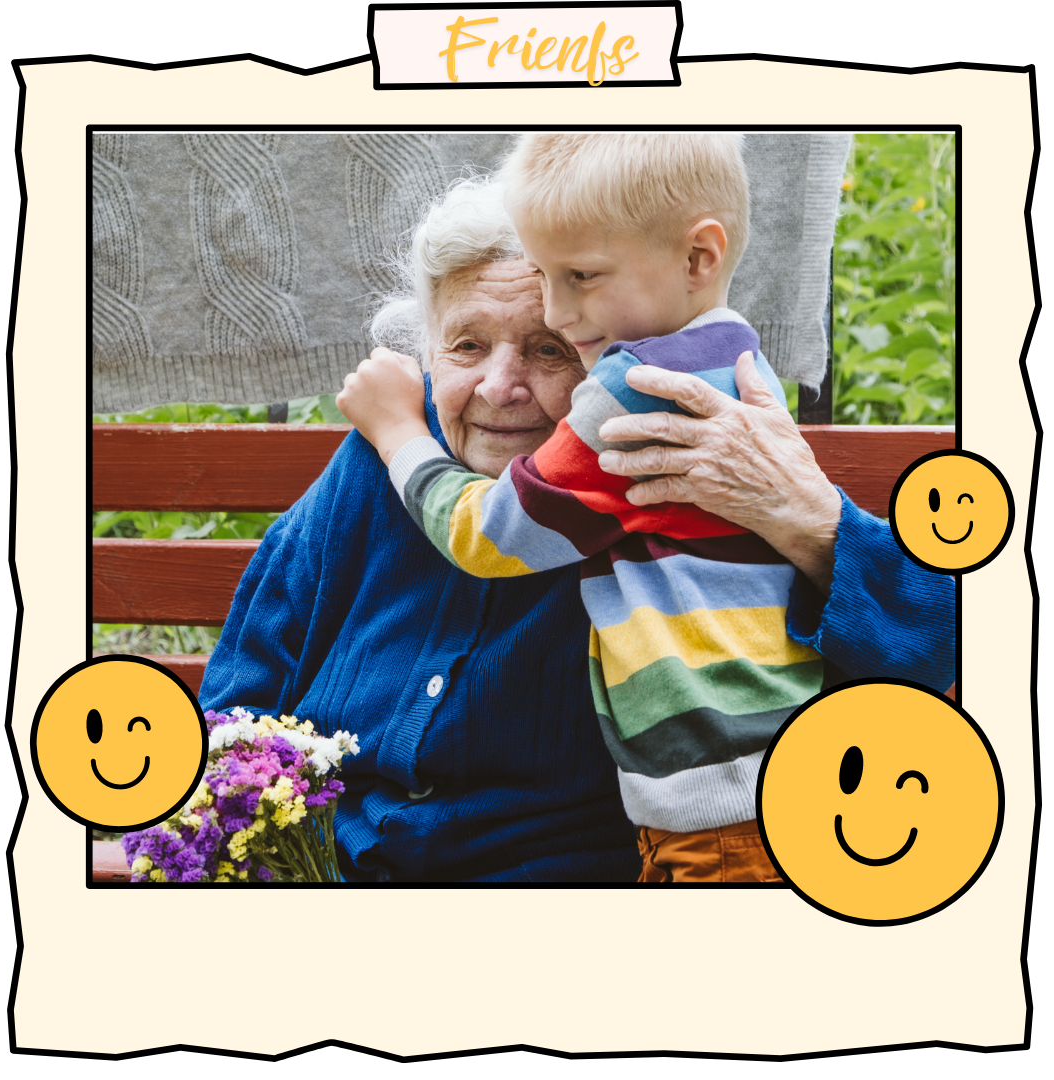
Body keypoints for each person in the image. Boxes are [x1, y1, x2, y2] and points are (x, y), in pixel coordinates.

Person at [203, 169, 955, 884]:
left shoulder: (681, 460)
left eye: (548, 349)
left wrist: (808, 518)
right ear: (426, 353)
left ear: (610, 360)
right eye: (466, 345)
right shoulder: (386, 452)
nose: (499, 386)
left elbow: (929, 641)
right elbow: (245, 689)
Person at [337, 133, 824, 883]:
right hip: (753, 786)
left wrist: (399, 433)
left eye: (577, 282)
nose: (563, 314)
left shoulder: (640, 393)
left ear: (699, 259)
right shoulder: (736, 368)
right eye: (465, 345)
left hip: (721, 802)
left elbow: (486, 534)